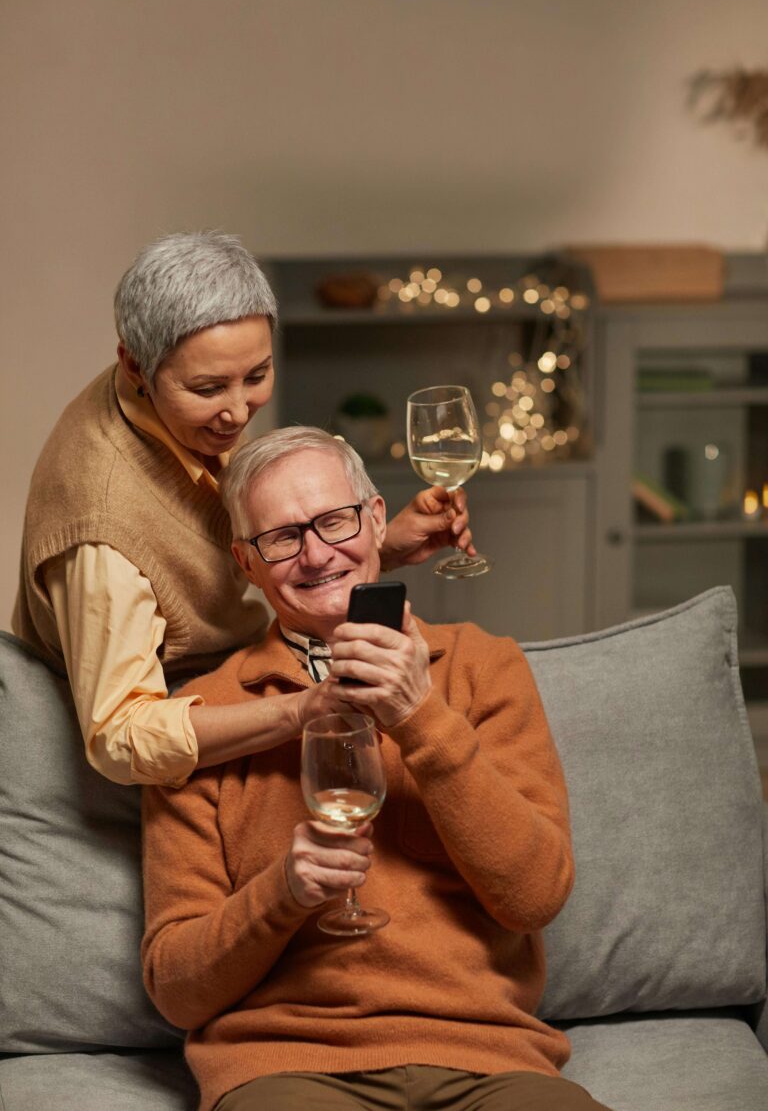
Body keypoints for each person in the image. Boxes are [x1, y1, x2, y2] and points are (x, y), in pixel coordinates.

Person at [141, 426, 612, 1111]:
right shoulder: (201, 719)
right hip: (288, 1068)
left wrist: (420, 716)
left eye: (335, 520)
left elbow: (536, 896)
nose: (316, 554)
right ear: (246, 564)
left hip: (488, 1060)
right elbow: (177, 990)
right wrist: (285, 892)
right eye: (281, 538)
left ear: (377, 520)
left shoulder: (485, 668)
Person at [12, 231, 473, 788]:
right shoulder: (100, 526)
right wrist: (303, 708)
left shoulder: (170, 395)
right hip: (146, 761)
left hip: (231, 685)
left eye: (256, 376)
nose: (236, 414)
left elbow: (224, 554)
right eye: (208, 389)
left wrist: (381, 546)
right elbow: (120, 739)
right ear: (134, 366)